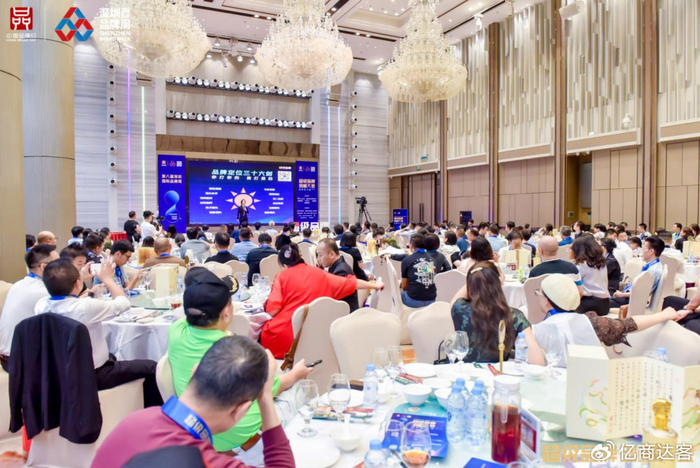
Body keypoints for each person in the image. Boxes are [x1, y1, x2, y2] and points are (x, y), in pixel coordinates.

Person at [167, 270, 311, 461]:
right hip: (244, 443)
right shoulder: (235, 352)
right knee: (299, 390)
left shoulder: (175, 332)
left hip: (200, 435)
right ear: (226, 312)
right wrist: (297, 373)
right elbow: (272, 388)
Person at [91, 335, 296, 468]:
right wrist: (265, 398)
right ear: (241, 411)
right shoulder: (206, 461)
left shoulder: (133, 420)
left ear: (194, 371)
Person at [36, 259, 162, 407]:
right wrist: (108, 279)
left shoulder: (41, 305)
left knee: (112, 356)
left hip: (57, 372)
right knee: (152, 367)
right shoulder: (86, 307)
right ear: (78, 283)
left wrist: (81, 283)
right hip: (93, 374)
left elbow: (67, 302)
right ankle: (153, 413)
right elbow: (124, 303)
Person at [532, 274, 684, 367]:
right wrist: (662, 315)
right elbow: (628, 325)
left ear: (546, 301)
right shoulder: (593, 323)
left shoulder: (533, 331)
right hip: (591, 388)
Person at [262, 244, 384, 358]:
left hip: (285, 338)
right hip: (318, 339)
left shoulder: (281, 276)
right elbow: (350, 283)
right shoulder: (320, 273)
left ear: (284, 266)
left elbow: (273, 310)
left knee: (261, 331)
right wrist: (374, 285)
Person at [450, 262, 544, 364]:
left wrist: (475, 278)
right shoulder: (514, 316)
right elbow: (537, 361)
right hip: (498, 371)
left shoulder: (459, 309)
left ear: (469, 285)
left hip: (464, 370)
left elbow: (455, 299)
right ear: (498, 284)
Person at [0, 245, 59, 370]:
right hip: (23, 363)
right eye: (59, 264)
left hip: (11, 358)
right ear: (44, 267)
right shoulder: (43, 292)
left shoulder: (19, 284)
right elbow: (72, 312)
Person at [610, 236, 665, 308]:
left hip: (629, 301)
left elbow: (640, 293)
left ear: (651, 251)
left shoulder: (652, 271)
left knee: (599, 302)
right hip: (628, 296)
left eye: (644, 248)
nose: (642, 251)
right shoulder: (653, 265)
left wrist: (621, 295)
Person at [315, 239, 360, 312]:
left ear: (332, 254)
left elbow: (333, 299)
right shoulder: (337, 266)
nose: (318, 259)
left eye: (320, 255)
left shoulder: (341, 271)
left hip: (346, 314)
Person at [570, 235, 610, 316]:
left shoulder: (581, 265)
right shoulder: (602, 263)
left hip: (588, 304)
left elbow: (572, 286)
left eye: (571, 248)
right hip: (605, 304)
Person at [395, 234, 437, 308]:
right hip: (432, 300)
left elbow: (404, 287)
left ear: (411, 245)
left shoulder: (406, 260)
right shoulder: (432, 259)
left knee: (398, 293)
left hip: (413, 300)